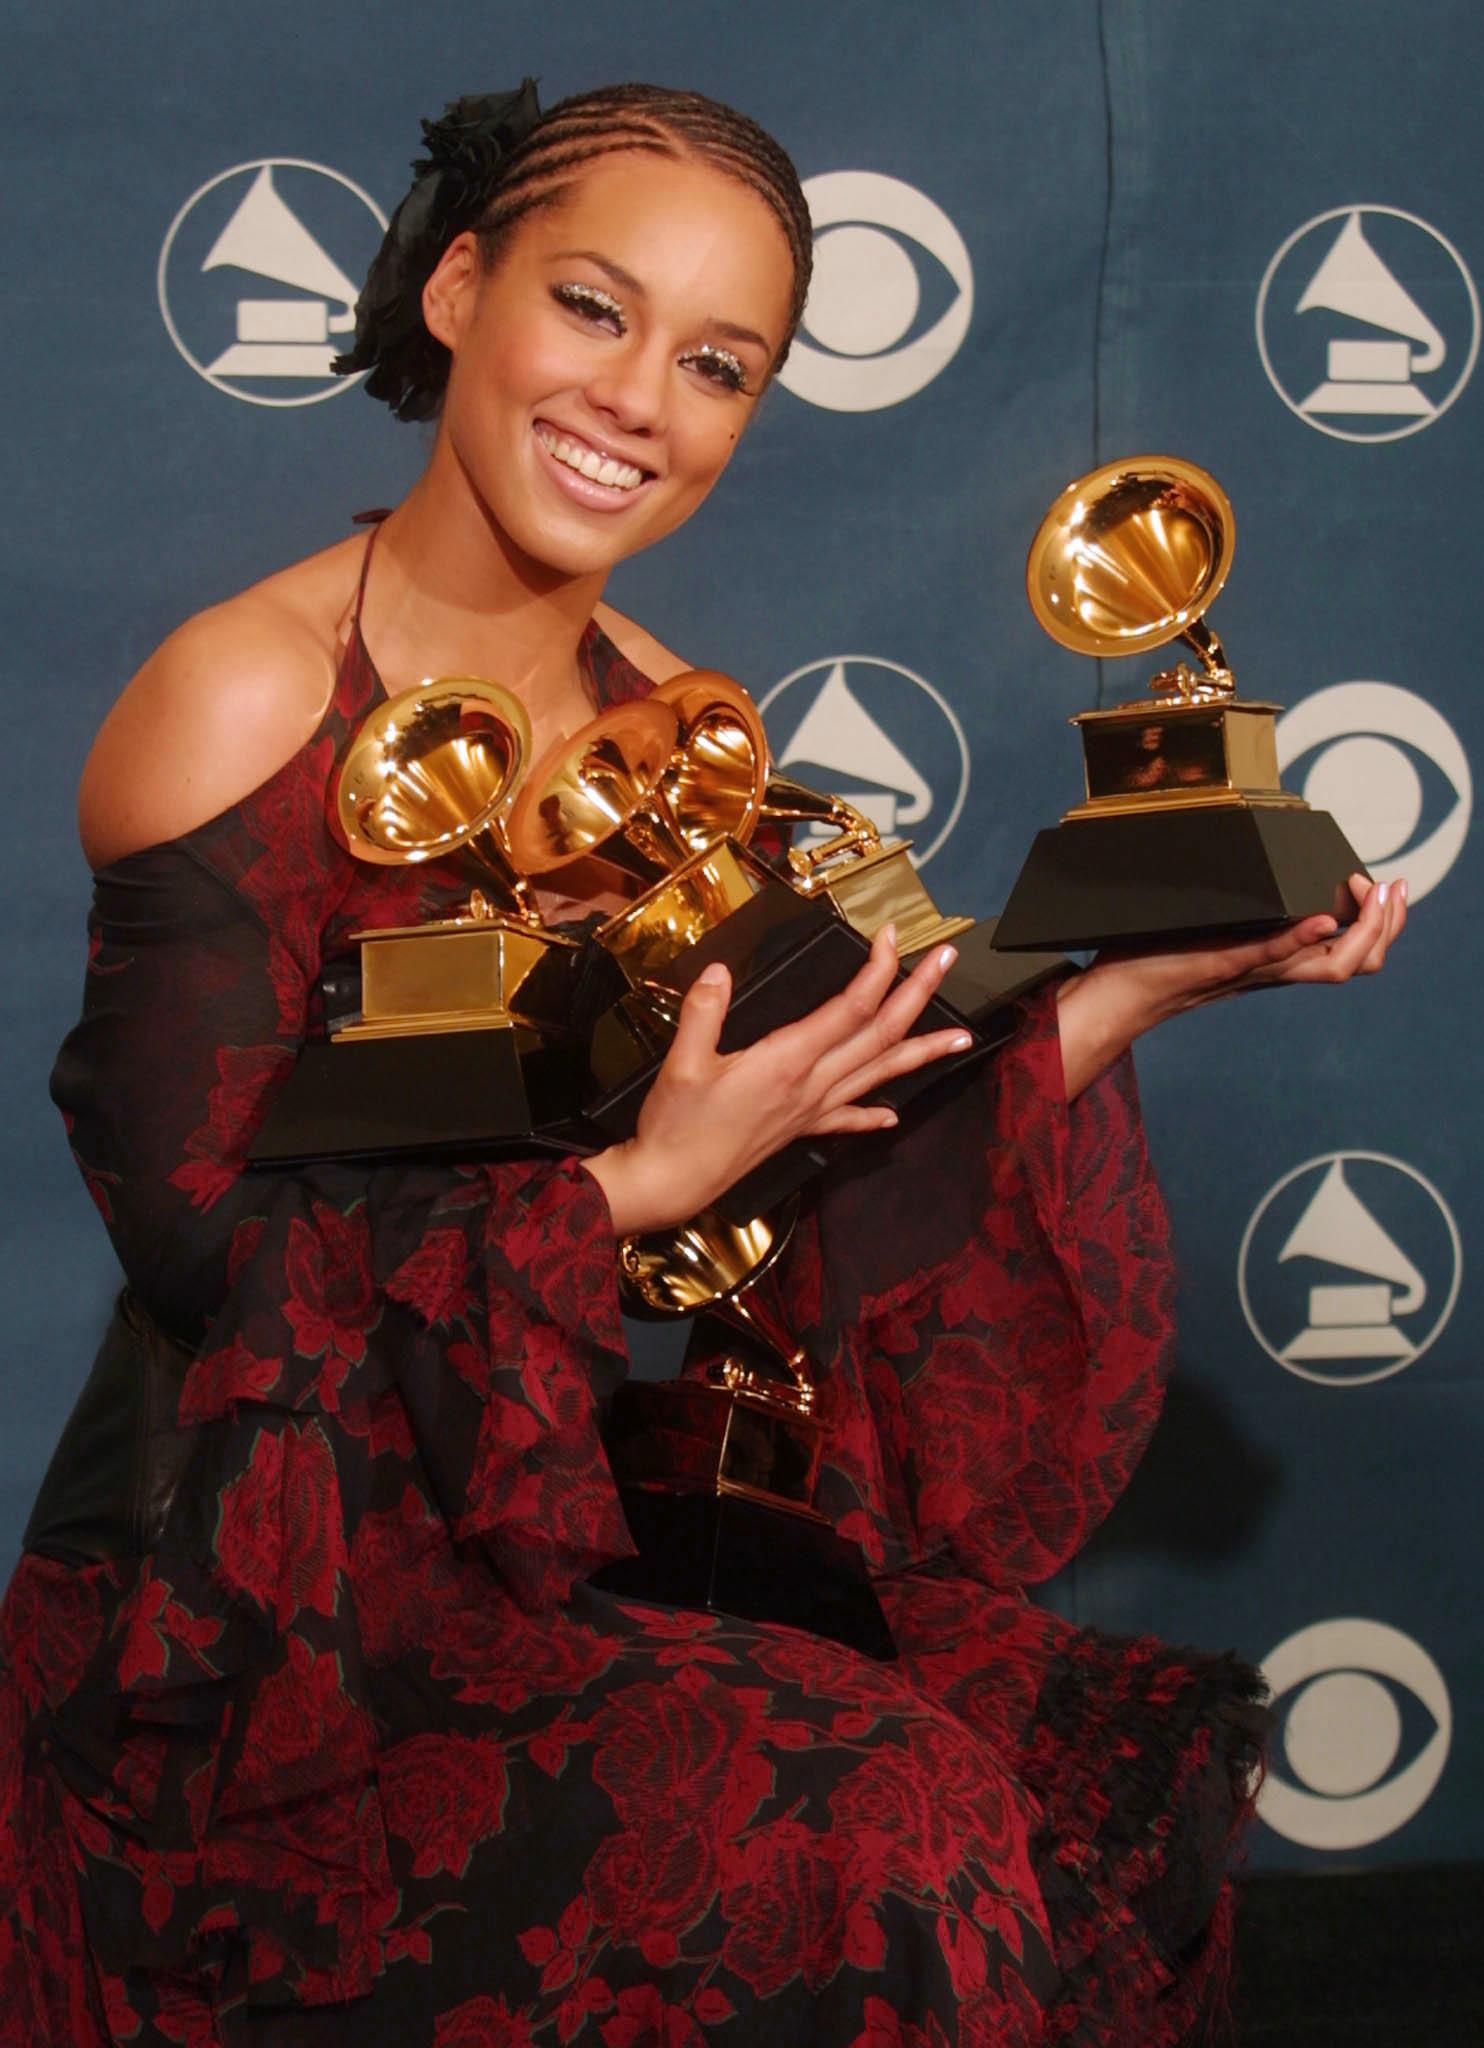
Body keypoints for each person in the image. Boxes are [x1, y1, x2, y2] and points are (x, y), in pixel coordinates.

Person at [0, 80, 1405, 2048]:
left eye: (719, 361)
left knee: (1041, 1767)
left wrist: (1148, 990)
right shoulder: (245, 694)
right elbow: (210, 1258)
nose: (641, 399)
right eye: (592, 307)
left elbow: (817, 1177)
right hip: (258, 1620)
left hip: (569, 1533)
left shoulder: (672, 726)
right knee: (880, 1819)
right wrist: (635, 1188)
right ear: (459, 288)